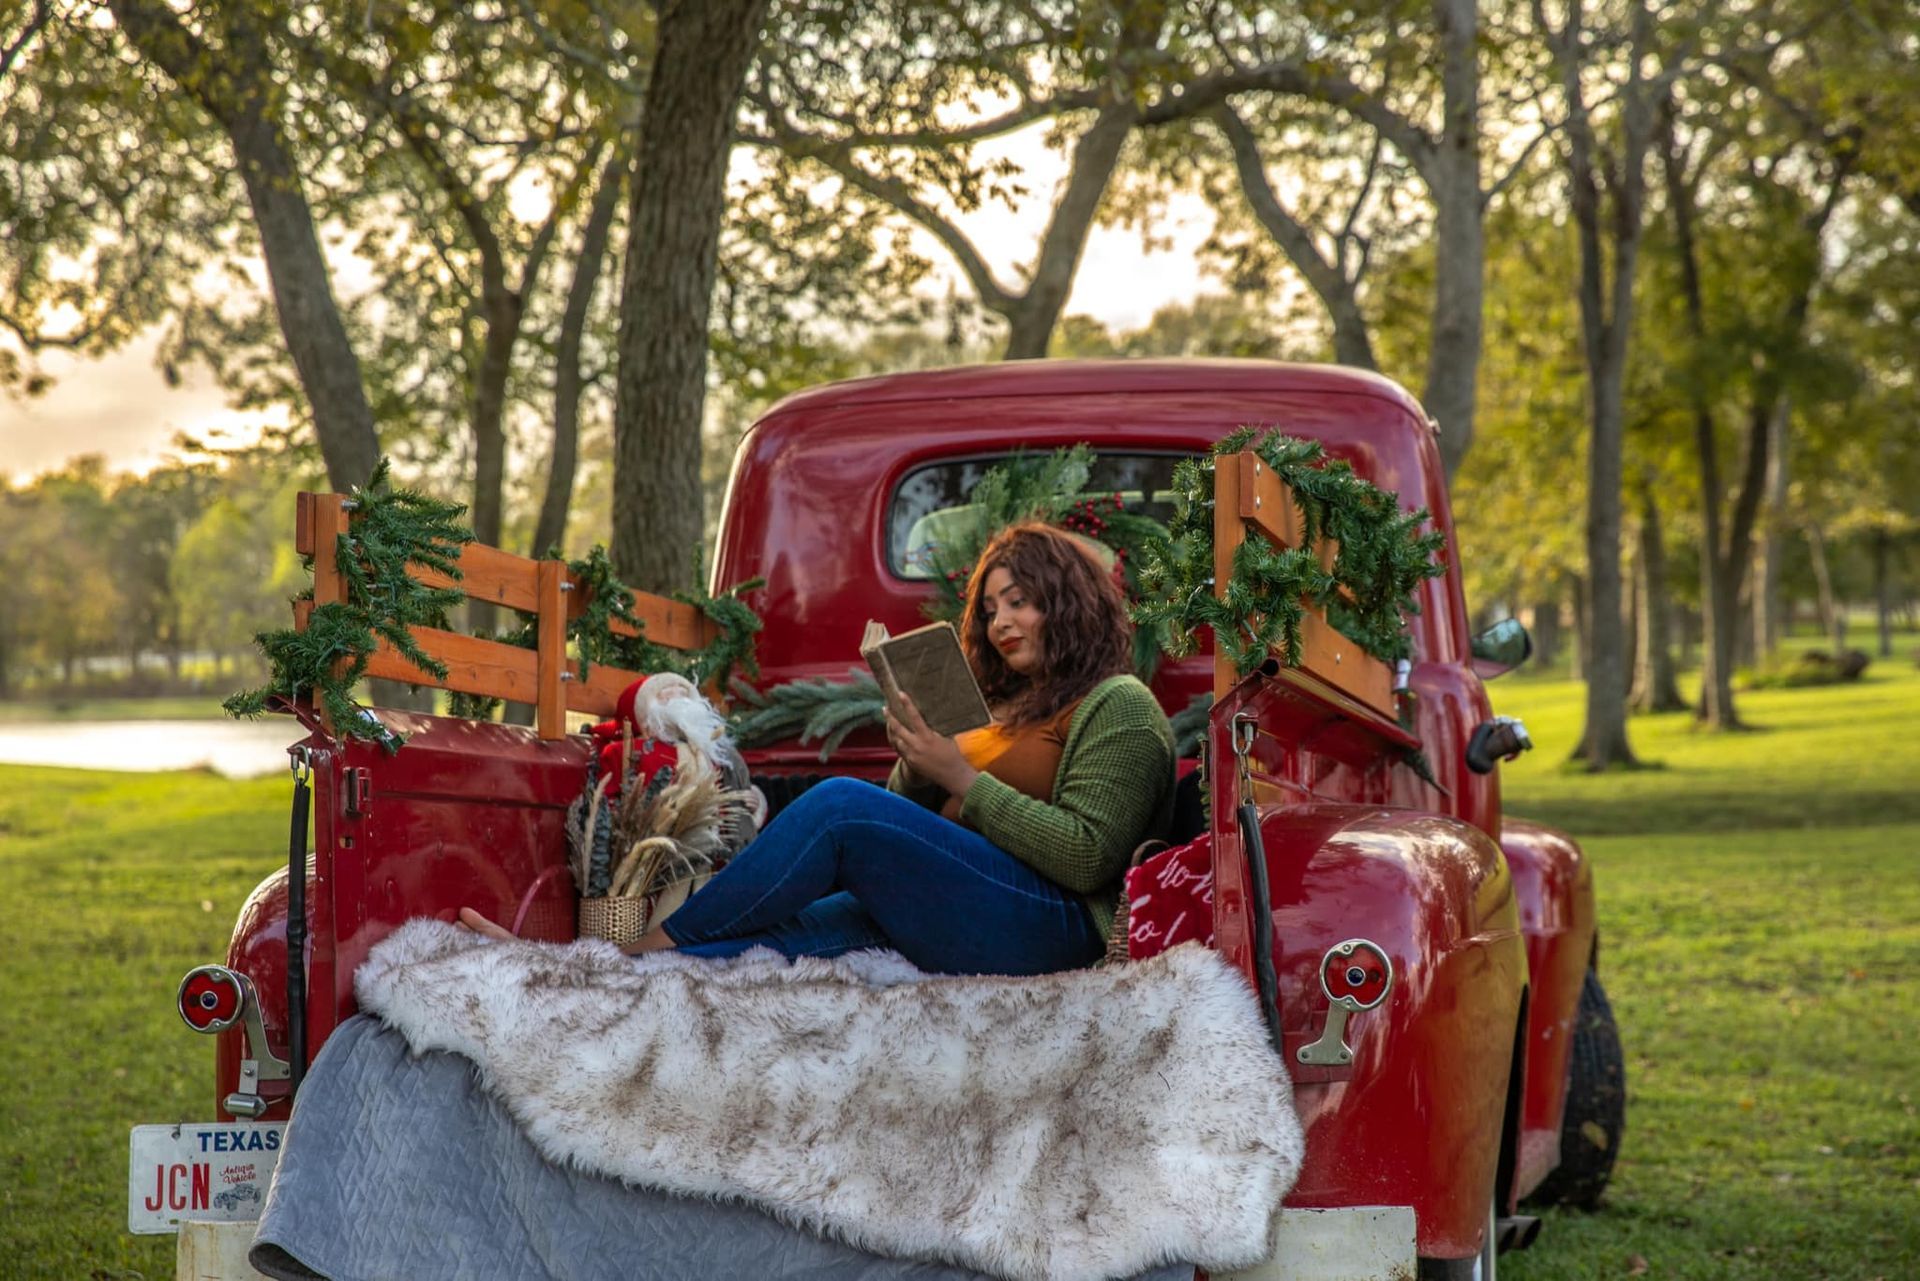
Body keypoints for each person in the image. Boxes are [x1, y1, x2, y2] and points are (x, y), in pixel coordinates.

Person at [461, 522, 1175, 976]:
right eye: (989, 609)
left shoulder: (1120, 704)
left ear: (1066, 602)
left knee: (837, 807)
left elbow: (1089, 858)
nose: (999, 623)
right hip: (962, 903)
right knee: (795, 935)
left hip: (1052, 926)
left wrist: (961, 774)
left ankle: (634, 949)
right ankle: (613, 973)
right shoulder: (1006, 708)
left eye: (1019, 601)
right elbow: (901, 829)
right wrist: (917, 759)